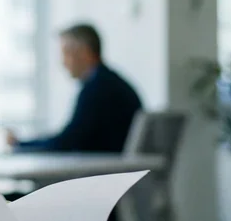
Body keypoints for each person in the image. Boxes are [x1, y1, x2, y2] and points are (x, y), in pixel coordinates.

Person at [12, 24, 143, 154]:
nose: (63, 63)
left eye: (66, 53)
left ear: (85, 53)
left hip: (106, 167)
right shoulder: (108, 81)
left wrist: (20, 145)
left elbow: (67, 142)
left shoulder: (97, 89)